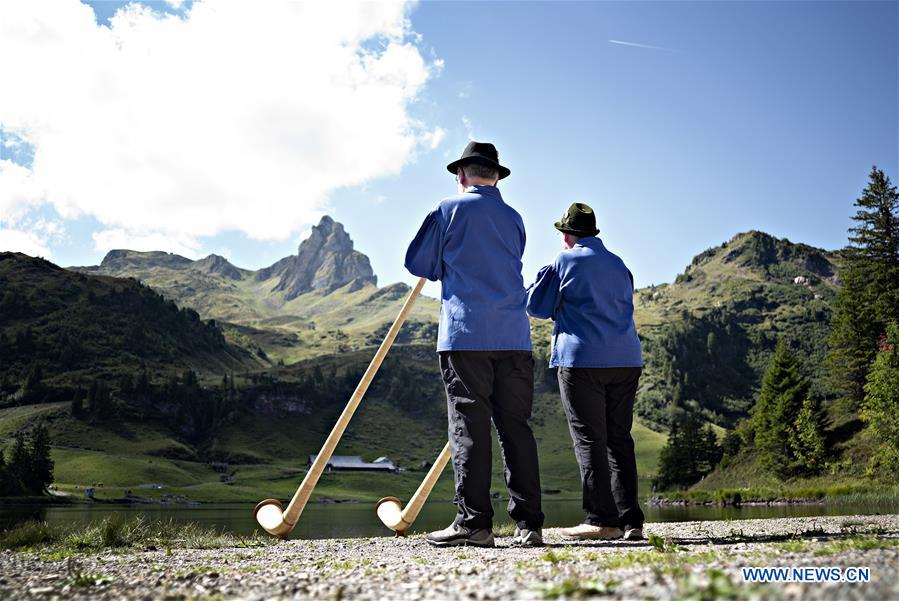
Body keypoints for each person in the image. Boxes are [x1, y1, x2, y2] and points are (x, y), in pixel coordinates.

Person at [405, 141, 545, 548]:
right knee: (515, 428)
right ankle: (530, 524)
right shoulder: (515, 218)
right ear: (497, 176)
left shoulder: (448, 209)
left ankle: (475, 523)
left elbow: (418, 264)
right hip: (515, 337)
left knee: (469, 426)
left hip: (467, 334)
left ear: (461, 175)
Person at [526, 202, 645, 540]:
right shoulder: (620, 265)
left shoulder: (564, 260)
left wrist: (540, 278)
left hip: (583, 361)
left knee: (589, 439)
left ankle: (600, 519)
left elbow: (536, 307)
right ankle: (631, 521)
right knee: (619, 439)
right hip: (626, 359)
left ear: (567, 235)